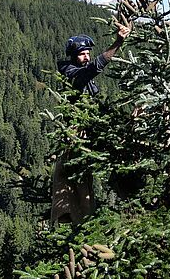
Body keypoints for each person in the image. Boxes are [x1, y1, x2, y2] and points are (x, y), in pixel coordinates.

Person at [51, 23, 131, 224]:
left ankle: (130, 200)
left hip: (94, 129)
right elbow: (94, 68)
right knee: (75, 176)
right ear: (73, 56)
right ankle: (75, 216)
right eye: (82, 54)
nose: (86, 57)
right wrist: (118, 43)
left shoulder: (81, 73)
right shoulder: (71, 73)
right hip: (79, 133)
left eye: (88, 53)